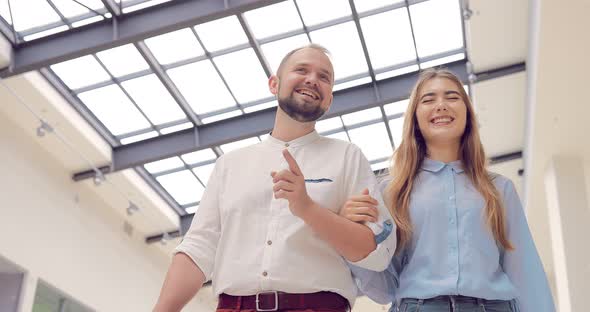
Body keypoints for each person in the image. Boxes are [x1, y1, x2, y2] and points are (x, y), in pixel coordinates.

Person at [153, 44, 396, 312]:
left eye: (324, 77)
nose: (312, 79)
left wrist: (308, 209)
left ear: (329, 99)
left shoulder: (347, 157)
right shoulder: (230, 164)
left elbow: (377, 253)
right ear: (274, 84)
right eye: (301, 70)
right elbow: (200, 246)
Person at [341, 69, 555, 312]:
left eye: (452, 97)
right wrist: (350, 237)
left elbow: (525, 273)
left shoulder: (499, 189)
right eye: (428, 99)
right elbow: (384, 289)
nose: (441, 105)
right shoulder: (390, 191)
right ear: (415, 119)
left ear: (467, 114)